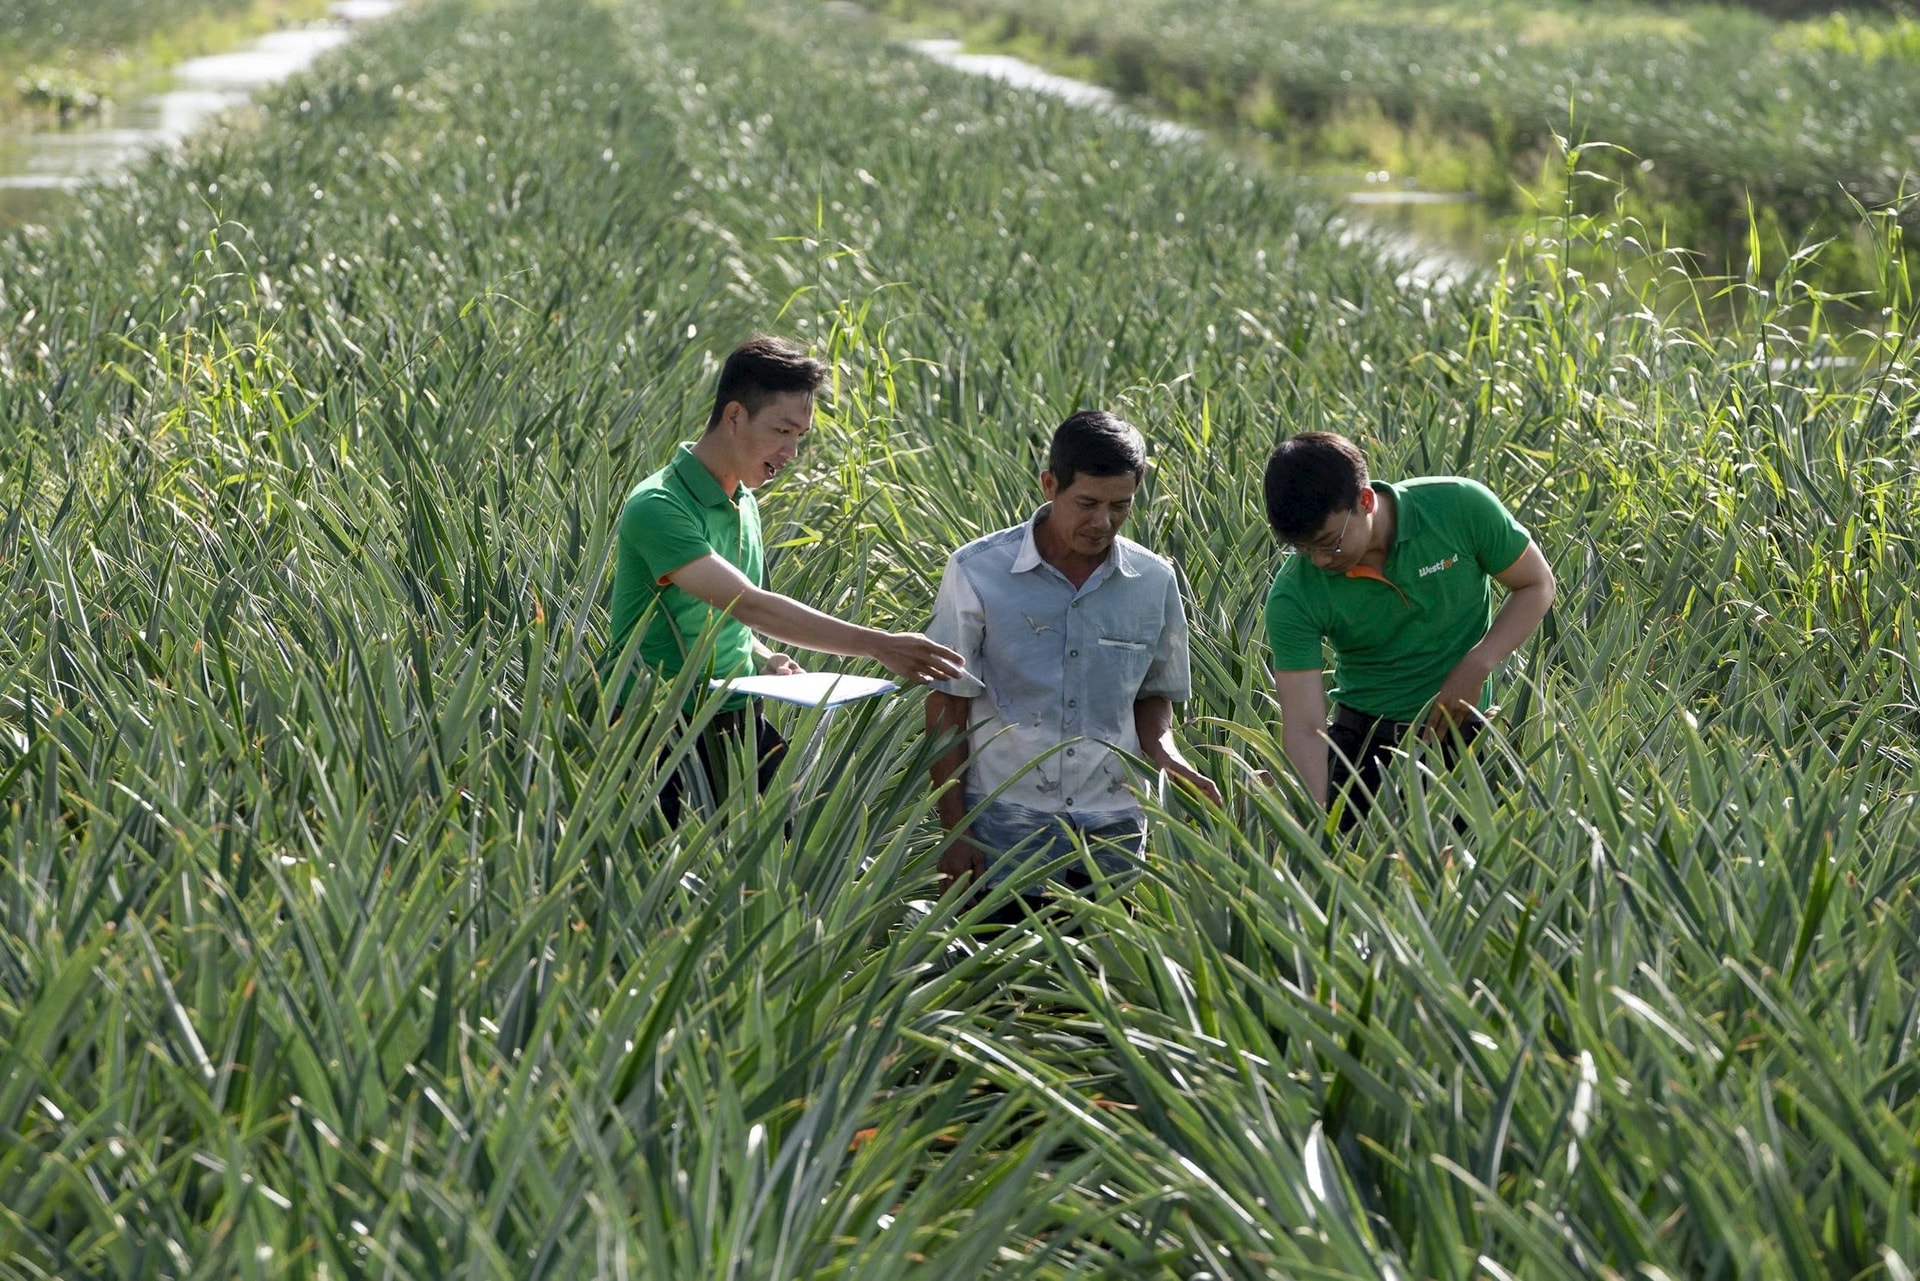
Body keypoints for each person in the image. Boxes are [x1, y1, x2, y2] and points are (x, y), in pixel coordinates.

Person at [604, 335, 965, 823]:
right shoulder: (659, 506)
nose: (792, 451)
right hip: (656, 730)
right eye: (782, 430)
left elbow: (720, 618)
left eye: (801, 436)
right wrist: (879, 645)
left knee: (783, 864)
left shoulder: (742, 501)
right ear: (734, 417)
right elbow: (746, 603)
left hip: (733, 717)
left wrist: (760, 656)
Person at [926, 410, 1221, 918]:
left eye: (1119, 506)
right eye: (1086, 504)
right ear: (1050, 485)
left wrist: (1169, 756)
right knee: (1000, 983)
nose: (1102, 522)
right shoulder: (978, 571)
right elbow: (947, 705)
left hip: (1115, 824)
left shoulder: (1152, 582)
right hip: (1005, 821)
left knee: (1107, 987)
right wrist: (954, 828)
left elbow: (1152, 694)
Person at [1262, 431, 1555, 824]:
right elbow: (1304, 727)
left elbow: (1537, 584)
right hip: (1363, 749)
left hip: (1465, 740)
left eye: (1328, 542)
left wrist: (1479, 662)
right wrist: (1318, 823)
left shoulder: (1459, 507)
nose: (1317, 561)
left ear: (1365, 501)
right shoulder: (1293, 595)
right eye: (1303, 549)